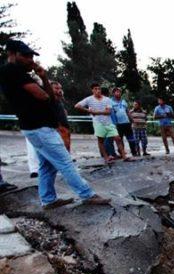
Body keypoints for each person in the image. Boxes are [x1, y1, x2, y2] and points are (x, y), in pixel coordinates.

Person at [0, 39, 109, 207]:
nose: (31, 60)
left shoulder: (19, 73)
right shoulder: (13, 71)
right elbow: (44, 97)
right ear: (12, 54)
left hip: (38, 126)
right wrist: (43, 81)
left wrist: (43, 77)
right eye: (27, 56)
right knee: (65, 161)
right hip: (38, 127)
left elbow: (50, 97)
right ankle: (87, 194)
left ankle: (48, 199)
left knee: (47, 166)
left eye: (32, 56)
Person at [75, 83, 130, 164]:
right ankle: (106, 158)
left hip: (109, 123)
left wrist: (95, 112)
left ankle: (124, 157)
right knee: (101, 140)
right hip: (98, 123)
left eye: (99, 89)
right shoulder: (89, 99)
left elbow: (108, 112)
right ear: (92, 90)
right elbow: (77, 106)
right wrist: (88, 110)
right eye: (95, 89)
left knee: (118, 138)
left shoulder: (107, 99)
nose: (98, 90)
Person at [111, 88, 138, 156]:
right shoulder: (110, 102)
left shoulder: (124, 101)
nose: (118, 93)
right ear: (113, 93)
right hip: (118, 124)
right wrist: (114, 124)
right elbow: (111, 113)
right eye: (116, 92)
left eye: (119, 92)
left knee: (131, 138)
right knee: (120, 140)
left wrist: (132, 119)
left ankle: (134, 152)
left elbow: (127, 111)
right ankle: (122, 153)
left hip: (126, 123)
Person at [51, 81, 71, 152]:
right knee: (61, 149)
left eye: (60, 88)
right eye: (56, 88)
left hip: (65, 128)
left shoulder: (59, 100)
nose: (59, 90)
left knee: (67, 147)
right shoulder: (50, 100)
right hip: (58, 129)